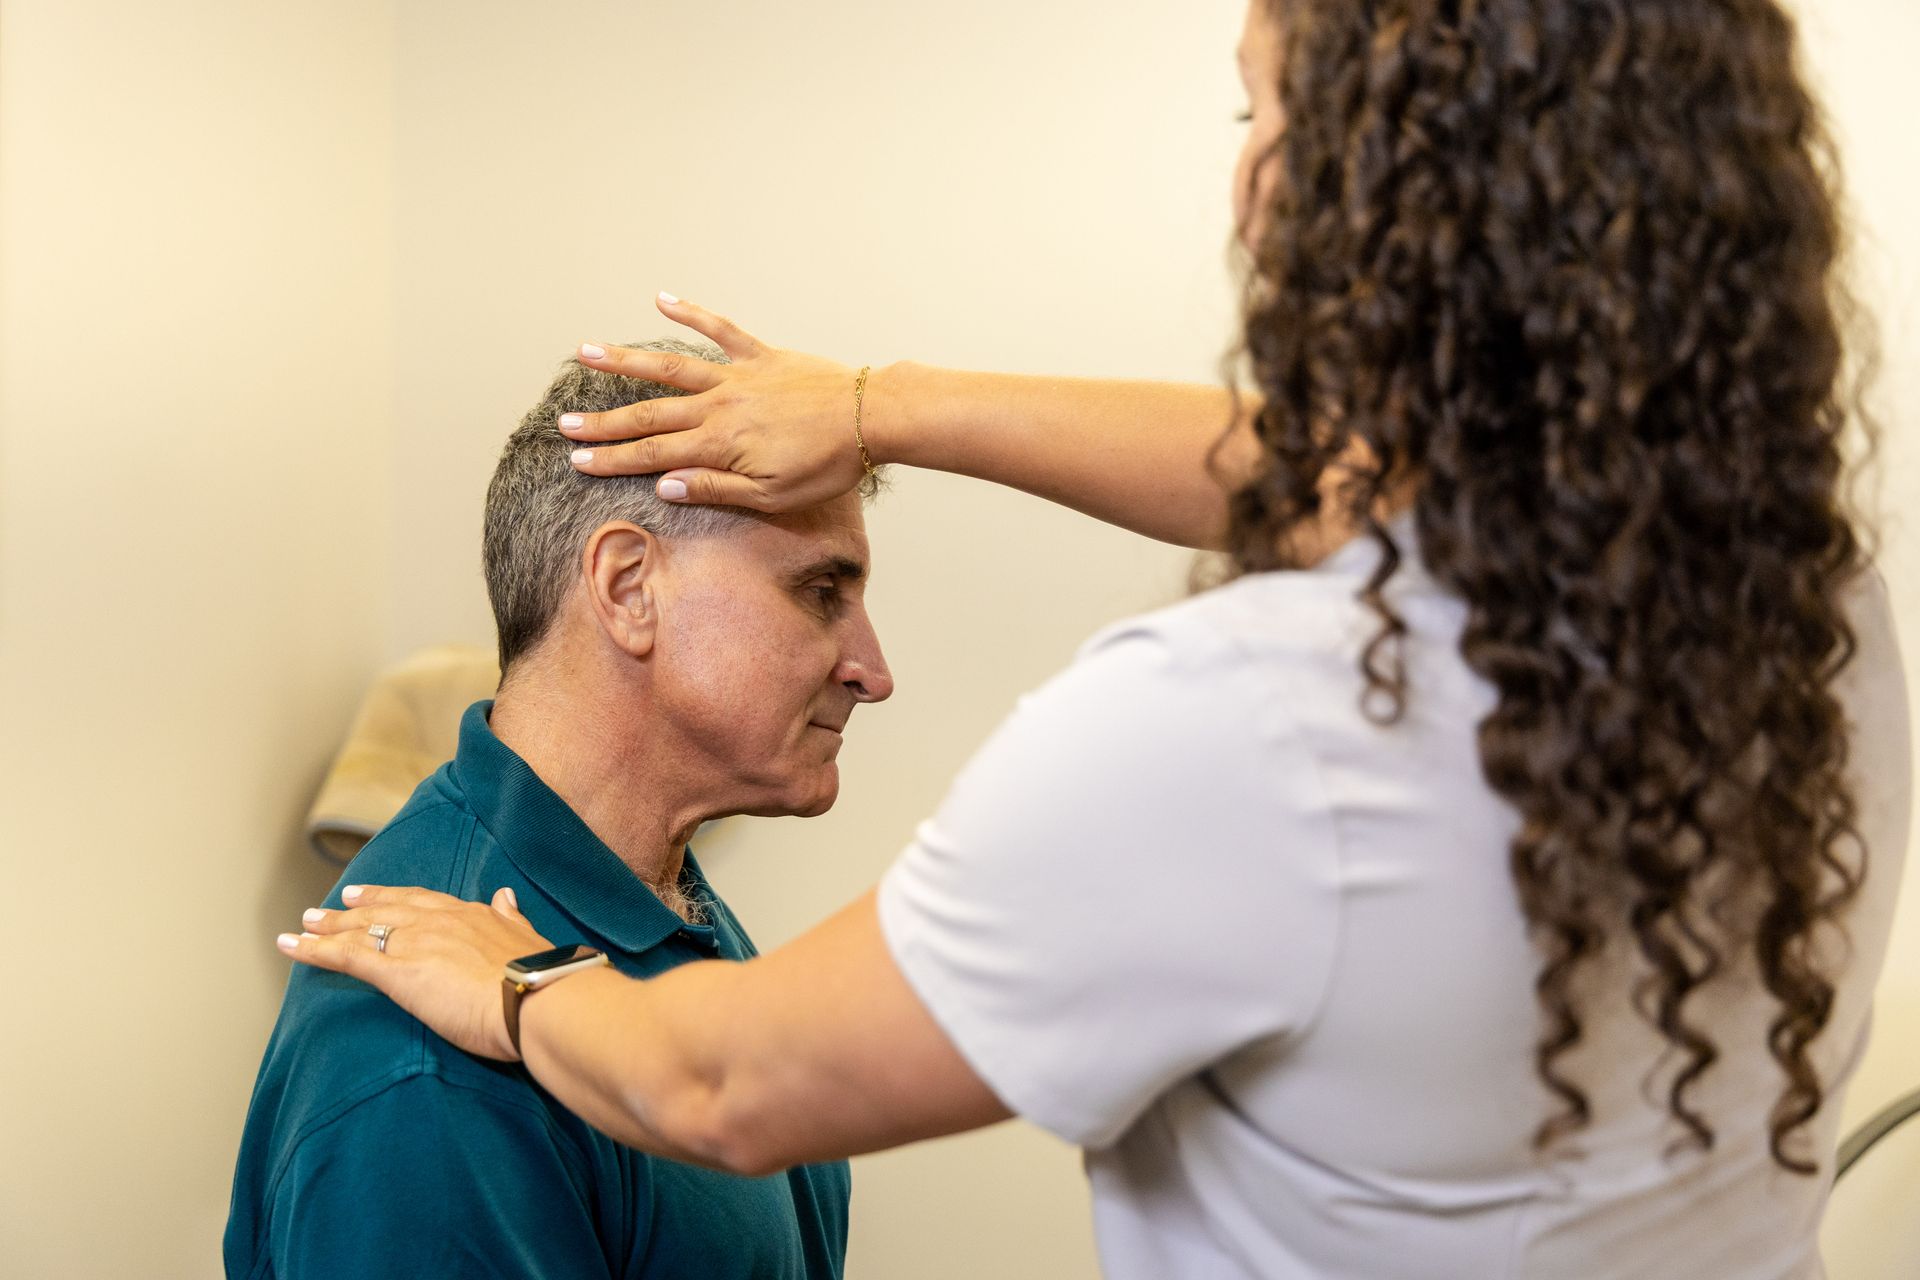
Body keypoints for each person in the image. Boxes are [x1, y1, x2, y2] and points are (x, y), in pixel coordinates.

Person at [279, 2, 1912, 1276]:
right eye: (819, 591)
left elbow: (723, 1087)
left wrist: (513, 992)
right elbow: (1353, 477)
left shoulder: (1259, 729)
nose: (1246, 172)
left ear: (1363, 186)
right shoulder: (1805, 617)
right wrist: (873, 405)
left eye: (1263, 113)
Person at [229, 339, 892, 1279]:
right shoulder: (433, 1070)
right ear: (628, 587)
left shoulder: (658, 901)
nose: (872, 670)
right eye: (821, 592)